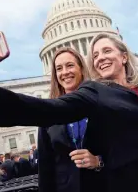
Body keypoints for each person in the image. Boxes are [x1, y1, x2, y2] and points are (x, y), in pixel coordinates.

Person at [0, 33, 138, 192]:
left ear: (124, 56)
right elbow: (50, 110)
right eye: (95, 54)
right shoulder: (96, 93)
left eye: (107, 50)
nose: (101, 57)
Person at [37, 47, 105, 192]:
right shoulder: (49, 113)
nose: (65, 72)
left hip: (103, 184)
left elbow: (120, 149)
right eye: (59, 68)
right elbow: (45, 166)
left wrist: (99, 161)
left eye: (70, 65)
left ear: (81, 68)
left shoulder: (102, 104)